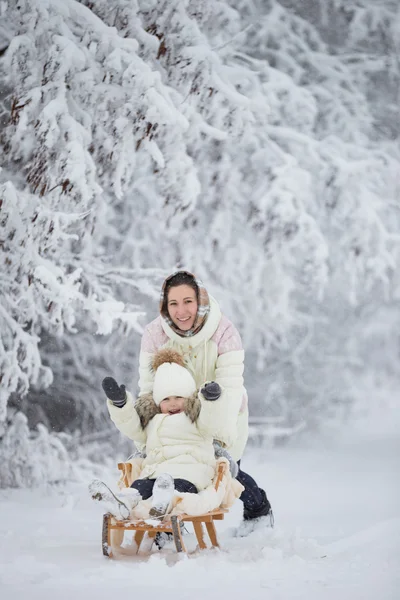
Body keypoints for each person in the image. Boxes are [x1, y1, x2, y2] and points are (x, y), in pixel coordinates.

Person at [135, 270, 273, 535]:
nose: (181, 311)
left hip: (223, 413)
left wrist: (218, 438)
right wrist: (147, 439)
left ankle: (259, 511)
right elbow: (149, 390)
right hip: (173, 417)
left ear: (200, 301)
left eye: (188, 301)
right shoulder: (154, 334)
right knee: (166, 472)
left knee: (224, 474)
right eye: (173, 303)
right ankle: (167, 528)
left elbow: (230, 387)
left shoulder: (224, 331)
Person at [90, 347, 238, 522]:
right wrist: (121, 405)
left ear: (189, 398)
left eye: (178, 397)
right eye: (166, 399)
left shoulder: (198, 419)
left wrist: (211, 400)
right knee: (139, 487)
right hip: (155, 474)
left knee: (177, 487)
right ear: (158, 403)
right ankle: (123, 503)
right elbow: (130, 426)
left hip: (190, 474)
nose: (173, 404)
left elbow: (212, 419)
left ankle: (163, 502)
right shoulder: (153, 421)